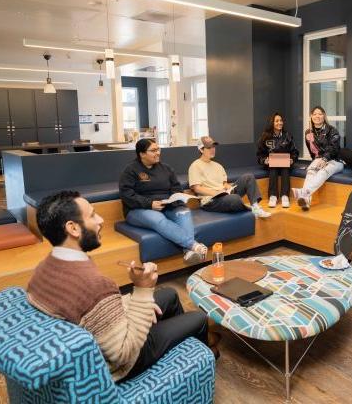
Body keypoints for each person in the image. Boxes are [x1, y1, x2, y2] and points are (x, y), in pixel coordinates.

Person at [26, 191, 211, 382]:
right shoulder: (94, 284)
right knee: (199, 318)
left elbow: (92, 311)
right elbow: (124, 353)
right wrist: (142, 291)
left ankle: (187, 356)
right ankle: (201, 365)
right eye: (92, 215)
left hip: (96, 337)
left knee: (170, 295)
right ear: (73, 228)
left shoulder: (44, 268)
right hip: (122, 364)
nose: (101, 220)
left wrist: (133, 302)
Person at [119, 138, 207, 262]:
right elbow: (126, 194)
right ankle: (193, 245)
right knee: (158, 219)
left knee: (184, 212)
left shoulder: (166, 169)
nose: (158, 153)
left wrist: (173, 200)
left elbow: (176, 188)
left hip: (166, 205)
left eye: (158, 149)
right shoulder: (131, 170)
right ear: (142, 154)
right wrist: (150, 204)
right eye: (153, 150)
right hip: (138, 209)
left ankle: (189, 253)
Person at [189, 136, 271, 218]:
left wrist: (229, 188)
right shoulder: (195, 166)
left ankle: (255, 206)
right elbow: (197, 188)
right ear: (201, 149)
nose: (213, 149)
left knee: (248, 177)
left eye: (214, 147)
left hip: (224, 195)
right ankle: (250, 209)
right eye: (209, 147)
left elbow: (224, 183)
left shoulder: (218, 166)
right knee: (235, 199)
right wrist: (216, 193)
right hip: (210, 201)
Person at [292, 106, 344, 210]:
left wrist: (325, 159)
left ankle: (303, 192)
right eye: (315, 114)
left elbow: (333, 148)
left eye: (320, 114)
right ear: (311, 116)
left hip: (336, 160)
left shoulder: (332, 130)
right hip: (319, 159)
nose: (317, 116)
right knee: (310, 171)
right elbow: (312, 151)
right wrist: (316, 162)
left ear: (324, 116)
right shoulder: (308, 132)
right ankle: (306, 201)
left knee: (323, 171)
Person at [256, 112, 299, 208]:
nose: (280, 123)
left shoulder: (287, 135)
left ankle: (284, 196)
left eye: (281, 121)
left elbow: (295, 152)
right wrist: (265, 160)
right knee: (273, 166)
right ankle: (273, 196)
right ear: (272, 123)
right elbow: (259, 155)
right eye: (277, 121)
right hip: (271, 165)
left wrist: (292, 159)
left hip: (285, 164)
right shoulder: (265, 137)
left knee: (285, 167)